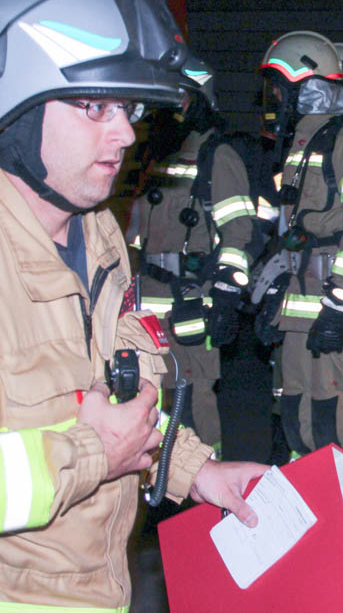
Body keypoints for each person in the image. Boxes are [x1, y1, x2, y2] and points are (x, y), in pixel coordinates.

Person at [0, 0, 266, 610]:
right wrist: (88, 455)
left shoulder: (99, 239)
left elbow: (114, 404)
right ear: (14, 110)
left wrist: (197, 472)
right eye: (94, 106)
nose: (126, 131)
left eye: (128, 106)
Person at [260, 30, 343, 545]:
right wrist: (274, 295)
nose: (274, 99)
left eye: (280, 88)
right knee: (300, 422)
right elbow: (295, 228)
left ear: (308, 85)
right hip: (302, 308)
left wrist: (337, 305)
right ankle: (310, 534)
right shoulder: (304, 142)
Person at [129, 80, 269, 460]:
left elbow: (239, 232)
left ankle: (207, 479)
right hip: (145, 300)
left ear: (200, 102)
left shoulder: (216, 156)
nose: (169, 106)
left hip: (190, 302)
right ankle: (156, 482)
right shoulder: (153, 151)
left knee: (193, 400)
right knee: (150, 398)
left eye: (181, 98)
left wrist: (225, 298)